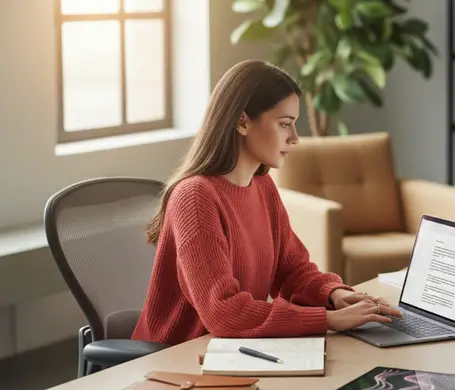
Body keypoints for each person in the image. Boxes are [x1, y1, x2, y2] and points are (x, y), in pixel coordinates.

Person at [131, 60, 402, 346]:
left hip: (233, 350)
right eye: (285, 124)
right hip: (179, 358)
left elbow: (293, 272)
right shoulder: (195, 197)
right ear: (242, 122)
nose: (295, 139)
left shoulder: (262, 186)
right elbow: (223, 312)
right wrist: (328, 320)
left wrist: (332, 295)